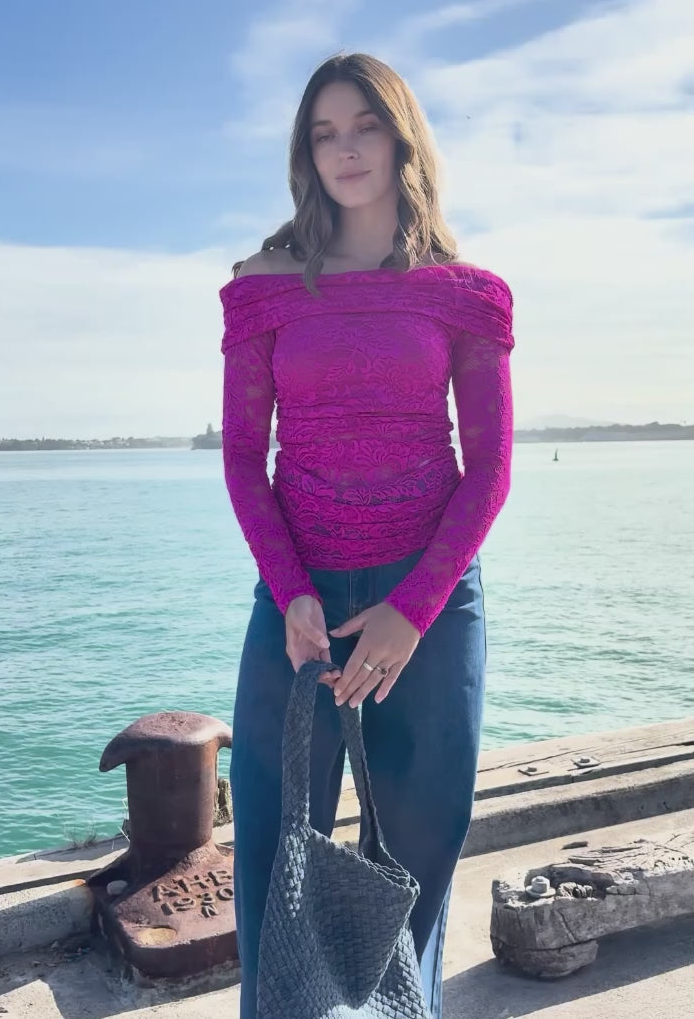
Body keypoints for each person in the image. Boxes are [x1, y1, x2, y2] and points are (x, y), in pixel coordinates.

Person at [219, 51, 514, 1019]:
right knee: (274, 863)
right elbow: (243, 457)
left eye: (364, 126)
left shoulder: (462, 292)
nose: (344, 149)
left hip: (425, 612)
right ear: (305, 154)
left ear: (401, 137)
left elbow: (490, 469)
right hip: (296, 610)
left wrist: (412, 610)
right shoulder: (263, 286)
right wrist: (292, 590)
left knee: (415, 871)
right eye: (323, 133)